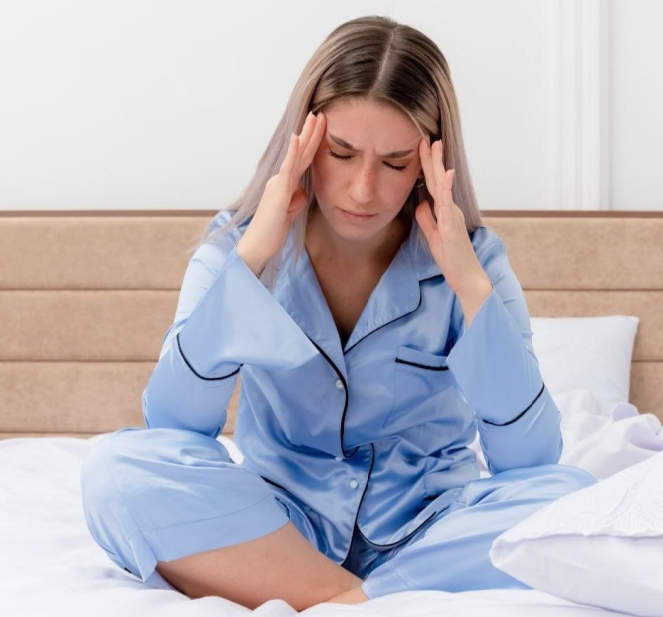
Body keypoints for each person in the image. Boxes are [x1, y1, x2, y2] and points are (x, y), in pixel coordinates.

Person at [81, 15, 594, 611]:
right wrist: (251, 261)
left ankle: (344, 598)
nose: (362, 190)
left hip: (429, 529)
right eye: (341, 153)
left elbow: (529, 462)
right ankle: (355, 599)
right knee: (115, 470)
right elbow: (174, 425)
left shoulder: (474, 263)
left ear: (431, 163)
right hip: (278, 528)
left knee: (574, 500)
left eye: (395, 163)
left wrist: (468, 284)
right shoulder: (237, 249)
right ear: (303, 140)